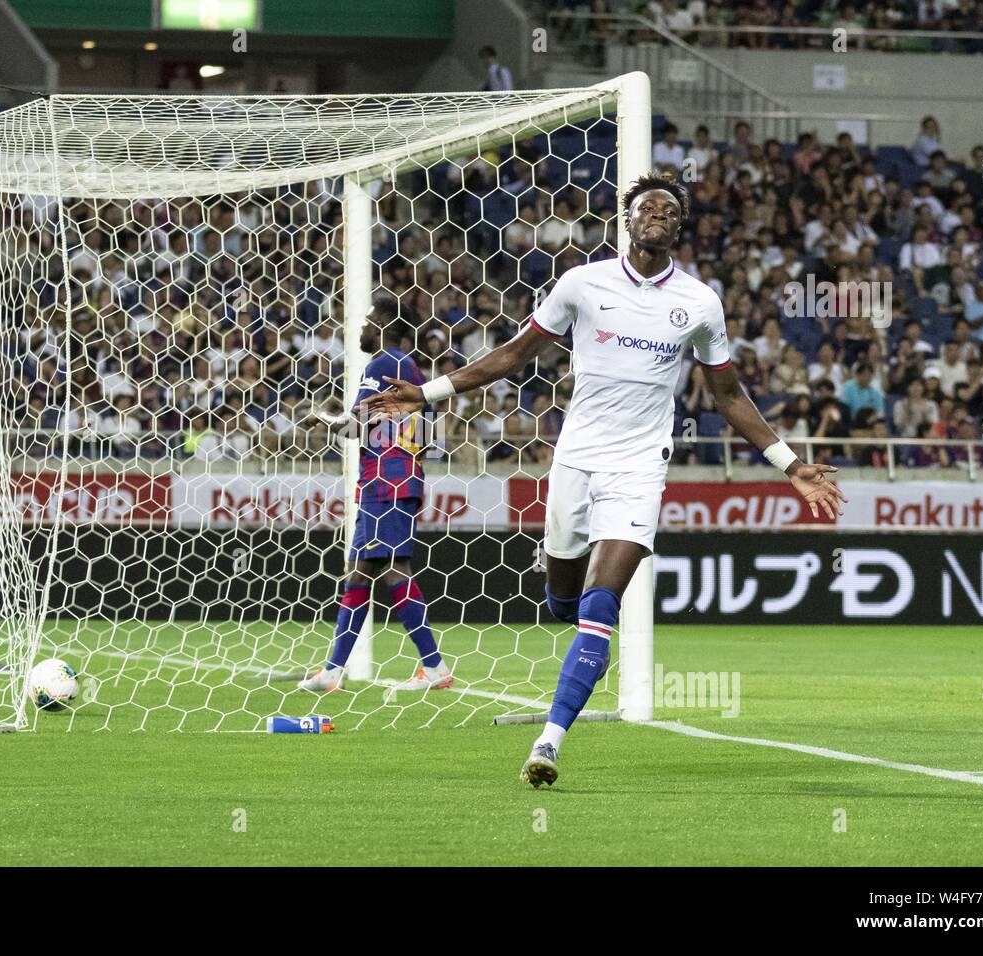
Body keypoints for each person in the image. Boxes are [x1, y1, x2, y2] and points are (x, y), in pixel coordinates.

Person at [361, 172, 846, 788]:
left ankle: (549, 741)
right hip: (575, 461)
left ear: (680, 227)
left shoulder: (699, 303)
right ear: (628, 219)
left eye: (670, 211)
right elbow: (513, 354)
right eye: (648, 207)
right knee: (563, 598)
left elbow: (728, 394)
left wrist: (791, 465)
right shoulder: (582, 285)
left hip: (640, 467)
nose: (658, 216)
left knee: (600, 606)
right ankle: (574, 616)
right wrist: (427, 393)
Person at [295, 301, 452, 694]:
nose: (361, 329)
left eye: (366, 321)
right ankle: (333, 671)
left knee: (394, 570)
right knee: (360, 573)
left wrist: (321, 417)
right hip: (383, 478)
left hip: (389, 478)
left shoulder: (385, 364)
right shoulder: (403, 365)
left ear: (382, 324)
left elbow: (354, 425)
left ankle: (434, 666)